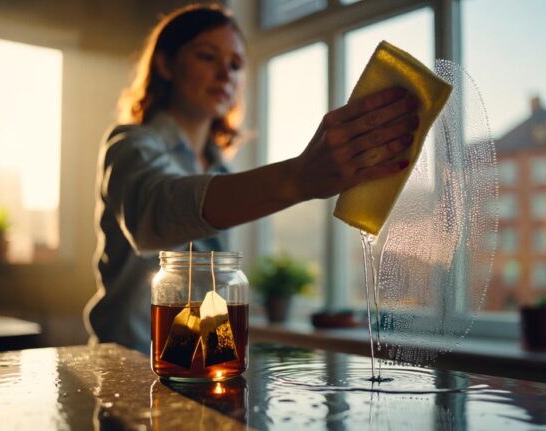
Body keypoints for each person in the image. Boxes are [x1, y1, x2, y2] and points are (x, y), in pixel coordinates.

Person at [84, 3, 420, 353]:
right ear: (166, 64)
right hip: (126, 366)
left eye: (235, 65)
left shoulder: (222, 172)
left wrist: (222, 356)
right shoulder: (130, 144)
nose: (225, 74)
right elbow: (154, 212)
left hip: (198, 369)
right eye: (207, 56)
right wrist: (297, 178)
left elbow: (212, 291)